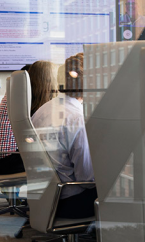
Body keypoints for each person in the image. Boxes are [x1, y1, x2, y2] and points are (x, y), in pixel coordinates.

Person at [32, 53, 97, 219]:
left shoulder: (43, 109)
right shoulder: (77, 119)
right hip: (71, 202)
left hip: (43, 199)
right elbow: (88, 180)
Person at [0, 62, 57, 176]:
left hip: (3, 159)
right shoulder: (25, 102)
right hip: (8, 161)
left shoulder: (16, 95)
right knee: (62, 156)